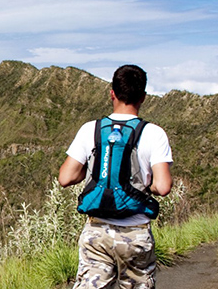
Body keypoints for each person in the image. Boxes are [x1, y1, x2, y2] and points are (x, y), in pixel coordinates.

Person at [58, 64, 173, 289]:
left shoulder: (90, 129)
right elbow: (163, 186)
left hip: (97, 232)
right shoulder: (154, 133)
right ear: (144, 97)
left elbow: (65, 178)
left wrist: (88, 172)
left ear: (112, 93)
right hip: (135, 233)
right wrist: (148, 186)